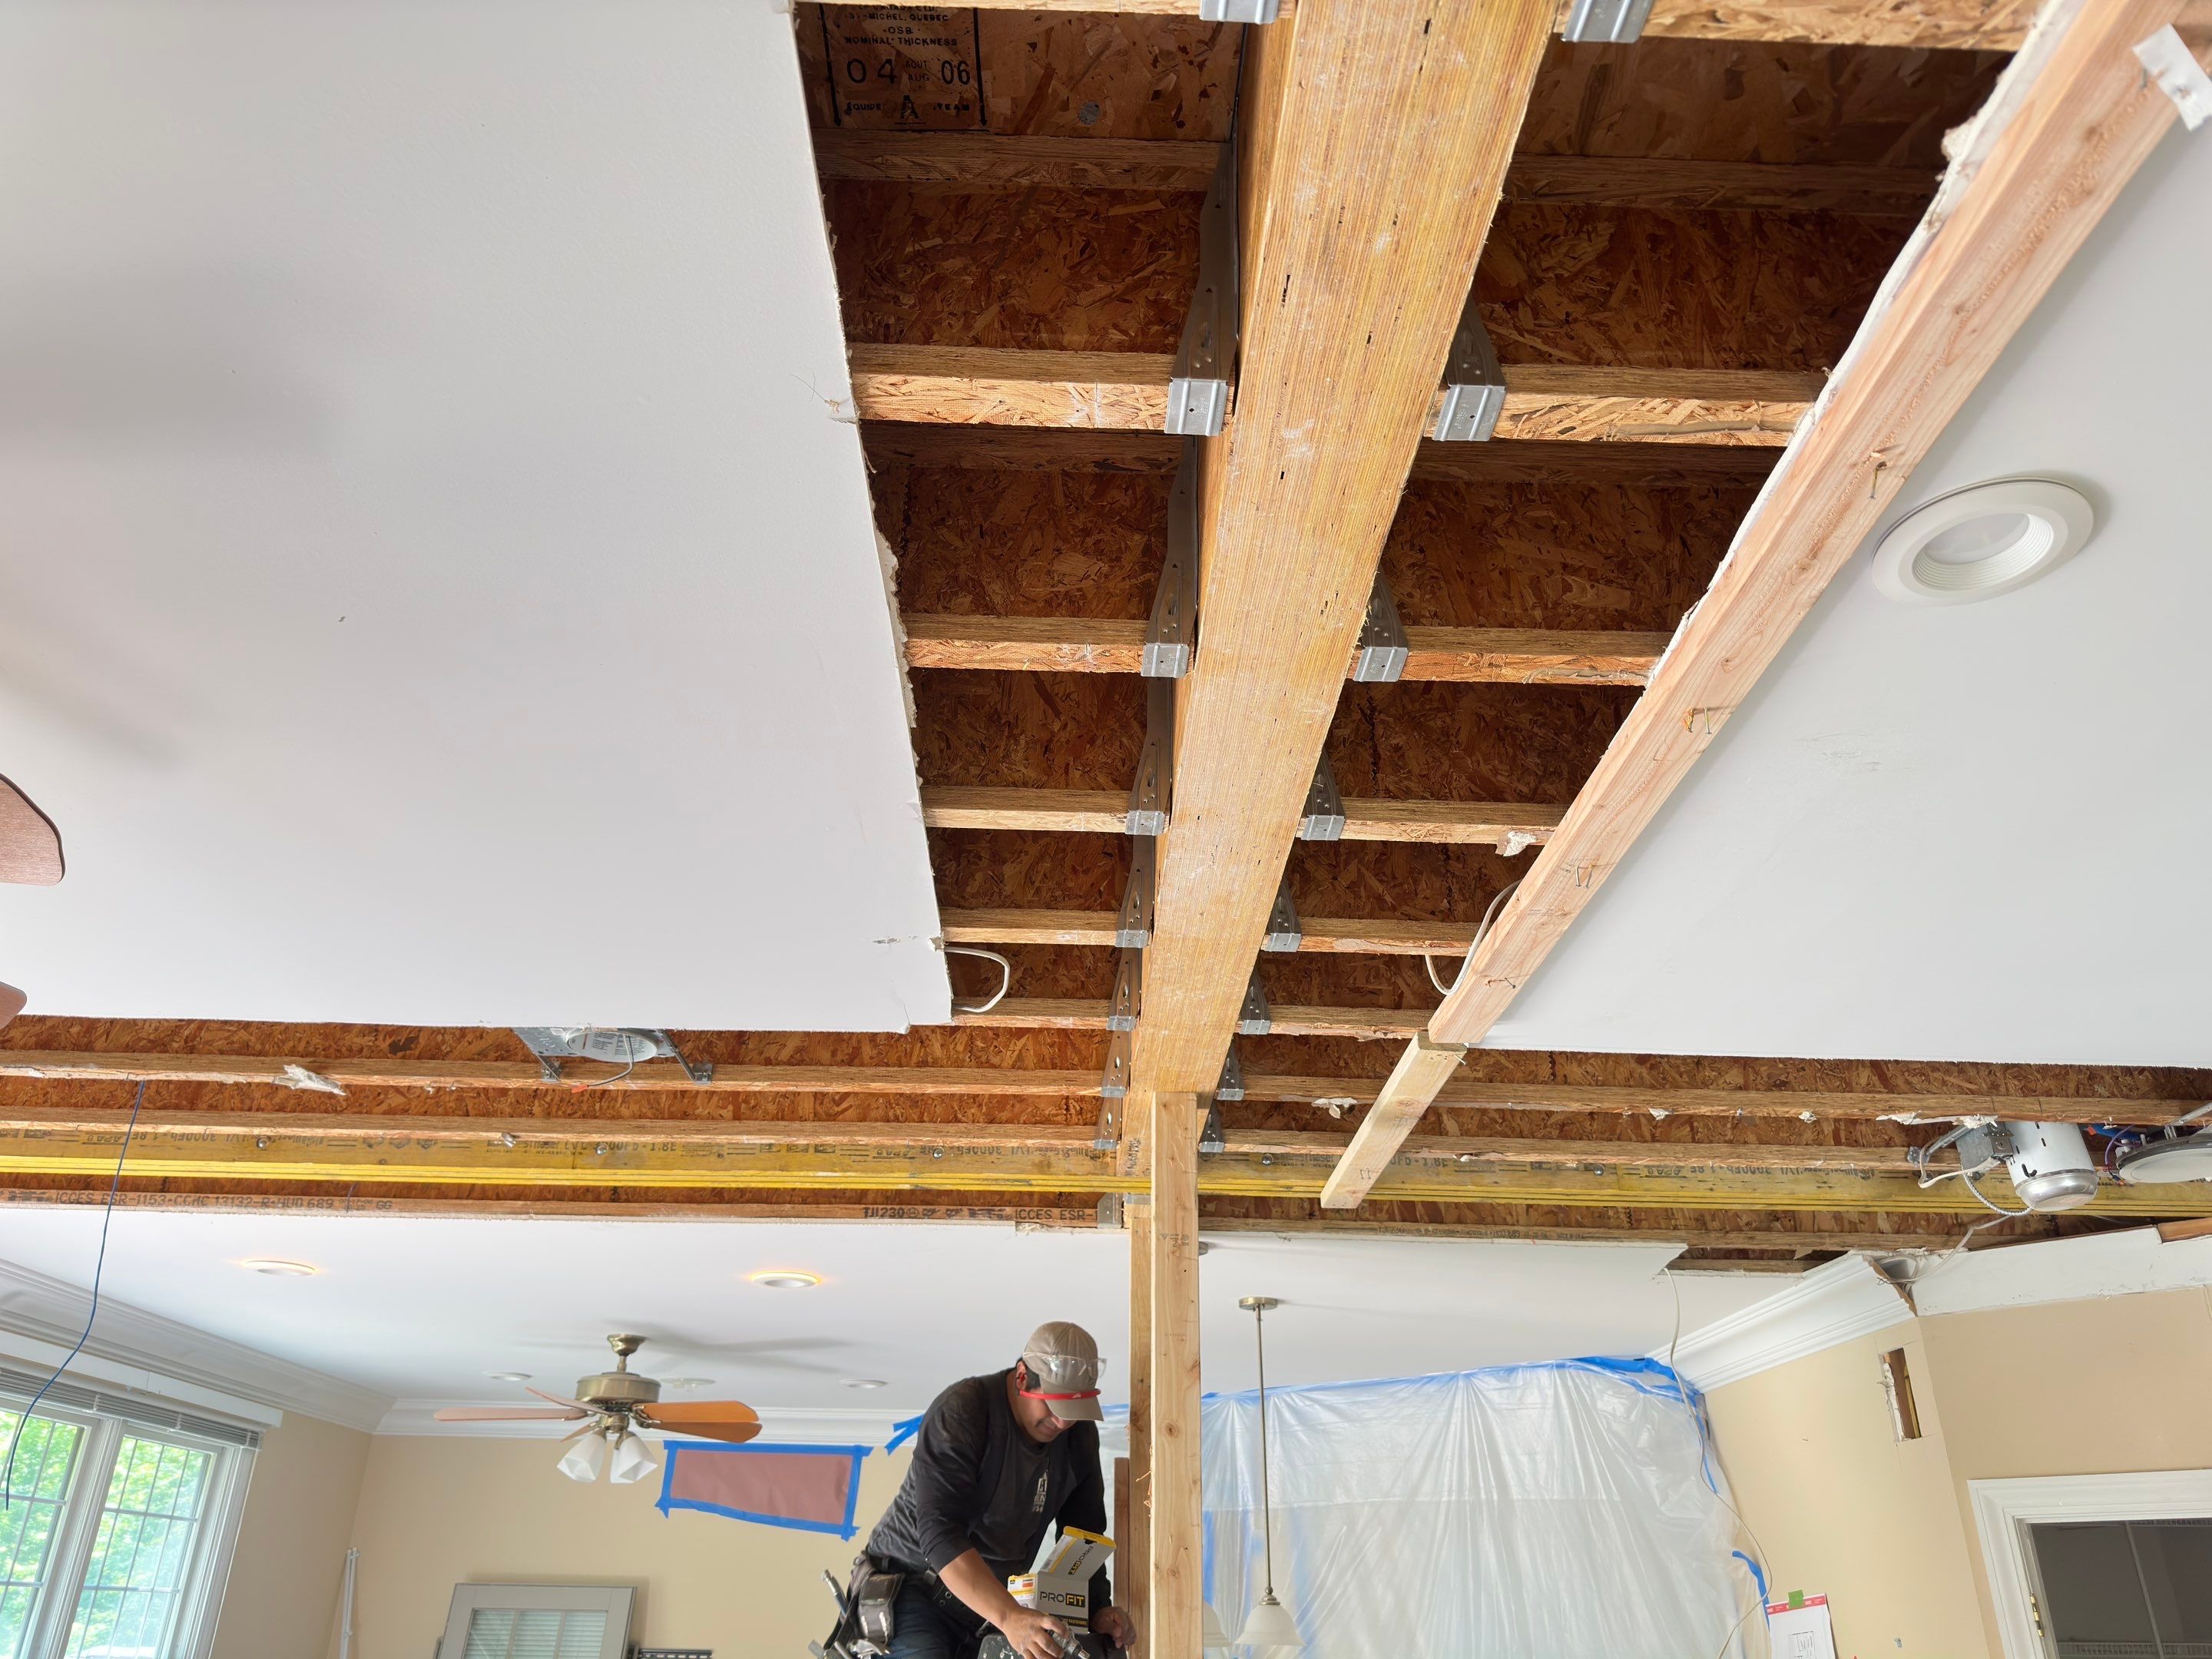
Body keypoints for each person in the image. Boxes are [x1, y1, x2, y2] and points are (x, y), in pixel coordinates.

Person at [863, 1322, 1137, 1659]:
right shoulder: (965, 1411)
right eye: (1053, 1406)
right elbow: (940, 1532)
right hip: (913, 1585)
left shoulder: (1077, 1436)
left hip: (988, 1607)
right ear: (1022, 1377)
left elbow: (1083, 1534)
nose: (1063, 1423)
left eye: (1074, 1412)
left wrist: (1097, 1610)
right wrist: (1009, 1617)